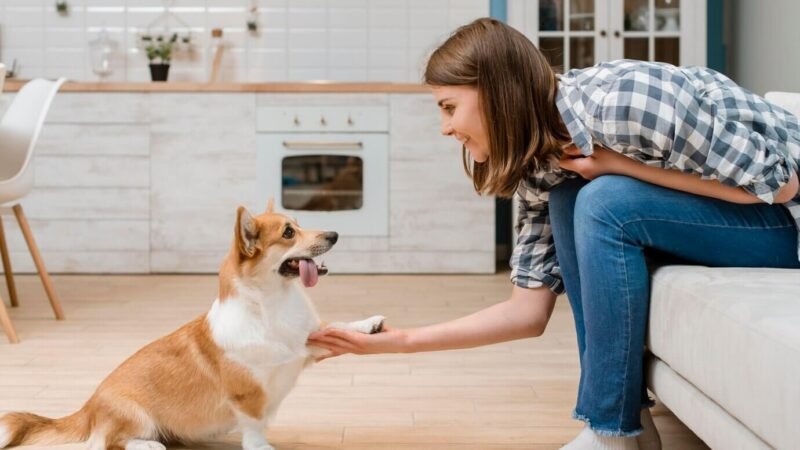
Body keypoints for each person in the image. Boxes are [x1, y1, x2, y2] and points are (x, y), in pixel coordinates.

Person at [307, 17, 800, 450]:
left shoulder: (623, 104)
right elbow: (527, 312)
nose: (445, 127)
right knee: (572, 196)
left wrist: (617, 165)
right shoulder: (543, 162)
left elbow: (781, 185)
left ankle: (609, 430)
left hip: (787, 221)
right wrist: (398, 342)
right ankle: (626, 429)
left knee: (603, 199)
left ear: (496, 92)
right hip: (741, 217)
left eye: (449, 107)